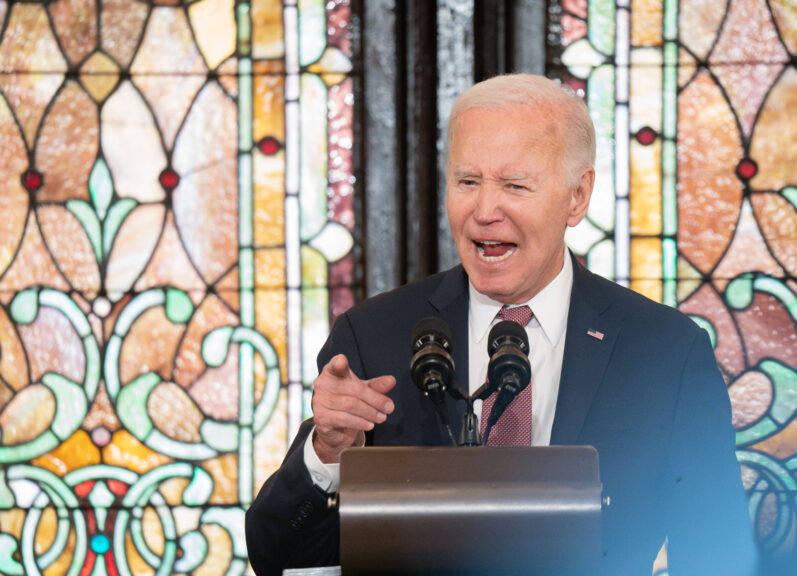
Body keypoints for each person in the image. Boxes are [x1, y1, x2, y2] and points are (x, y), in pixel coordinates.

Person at [246, 73, 756, 575]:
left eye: (514, 185)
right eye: (467, 182)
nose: (485, 210)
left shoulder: (664, 353)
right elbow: (277, 556)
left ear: (577, 197)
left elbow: (717, 551)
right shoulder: (372, 336)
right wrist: (328, 454)